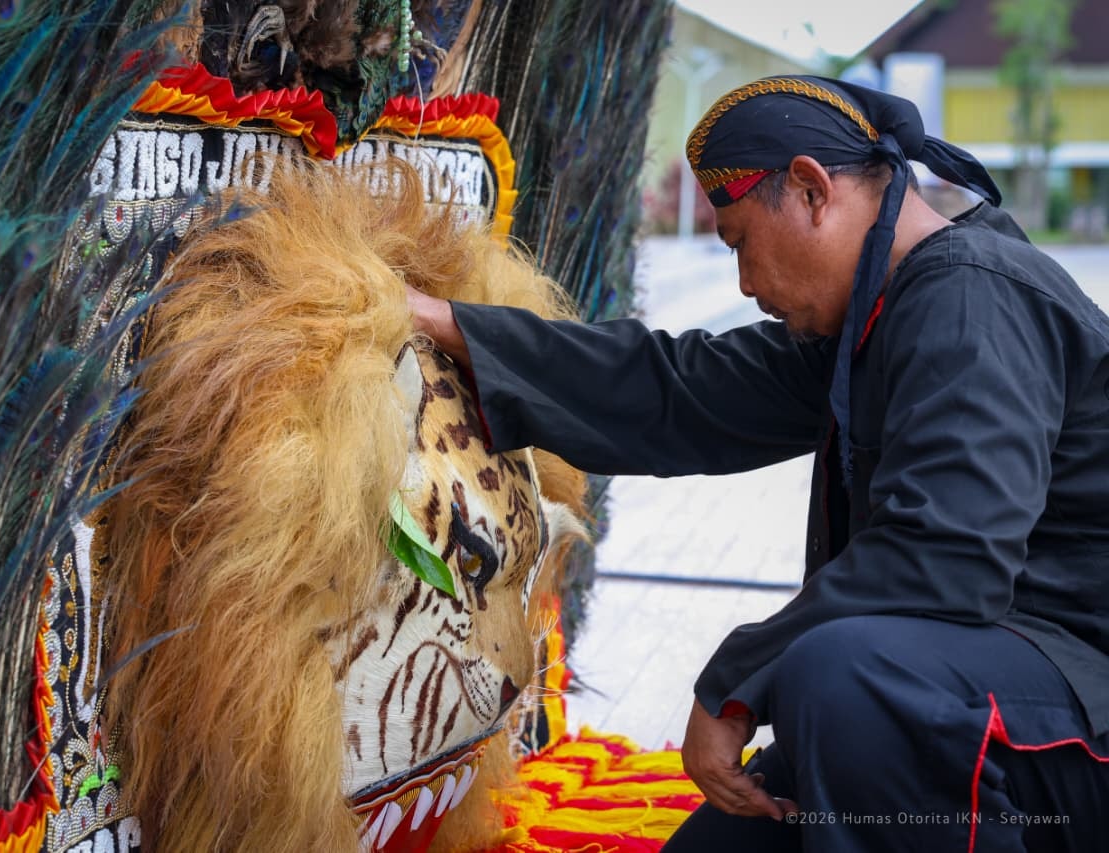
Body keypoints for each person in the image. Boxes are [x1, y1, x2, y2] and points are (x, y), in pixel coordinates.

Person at [406, 75, 1109, 851]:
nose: (743, 284)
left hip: (1073, 714)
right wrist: (455, 327)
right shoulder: (880, 311)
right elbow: (680, 388)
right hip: (967, 700)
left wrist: (735, 683)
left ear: (811, 189)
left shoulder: (972, 295)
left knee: (843, 677)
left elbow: (945, 559)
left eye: (741, 242)